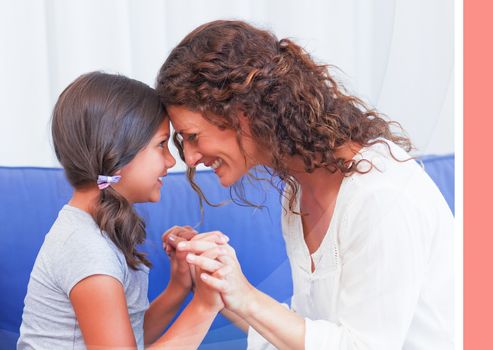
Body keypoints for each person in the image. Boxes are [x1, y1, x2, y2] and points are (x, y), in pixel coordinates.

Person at [157, 20, 454, 349]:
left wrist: (246, 295)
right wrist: (220, 283)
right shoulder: (297, 193)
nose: (190, 157)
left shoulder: (380, 196)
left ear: (241, 113)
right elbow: (307, 334)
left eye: (192, 137)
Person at [18, 72, 225, 350]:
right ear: (118, 152)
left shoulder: (94, 231)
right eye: (161, 145)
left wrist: (179, 286)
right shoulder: (86, 248)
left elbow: (131, 340)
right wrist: (205, 306)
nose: (170, 160)